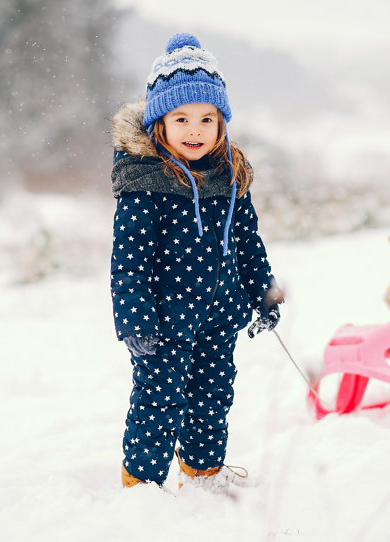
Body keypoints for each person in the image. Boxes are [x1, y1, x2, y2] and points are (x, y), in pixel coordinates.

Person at [109, 33, 283, 492]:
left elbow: (247, 242)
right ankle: (142, 486)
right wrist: (134, 318)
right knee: (159, 400)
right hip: (164, 320)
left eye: (208, 118)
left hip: (219, 313)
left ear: (222, 122)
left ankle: (203, 473)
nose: (195, 129)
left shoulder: (230, 177)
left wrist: (263, 292)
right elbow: (129, 260)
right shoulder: (145, 183)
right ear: (159, 123)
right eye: (181, 117)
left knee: (212, 396)